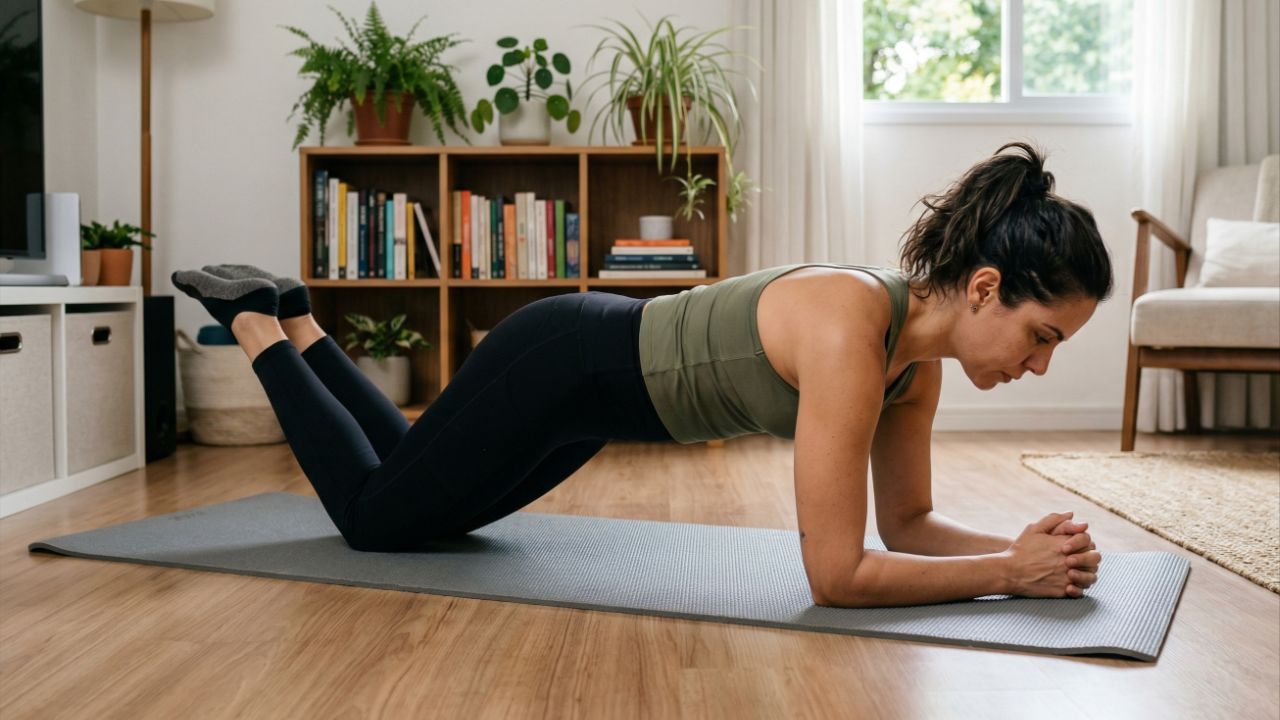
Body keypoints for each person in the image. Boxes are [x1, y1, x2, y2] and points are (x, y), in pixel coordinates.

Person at [171, 141, 1112, 609]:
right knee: (377, 524)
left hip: (587, 402)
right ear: (985, 288)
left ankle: (296, 314)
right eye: (1043, 336)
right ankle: (255, 321)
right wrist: (1006, 575)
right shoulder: (850, 333)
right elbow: (836, 574)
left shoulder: (915, 370)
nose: (1036, 364)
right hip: (563, 360)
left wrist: (1027, 551)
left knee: (419, 491)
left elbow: (905, 526)